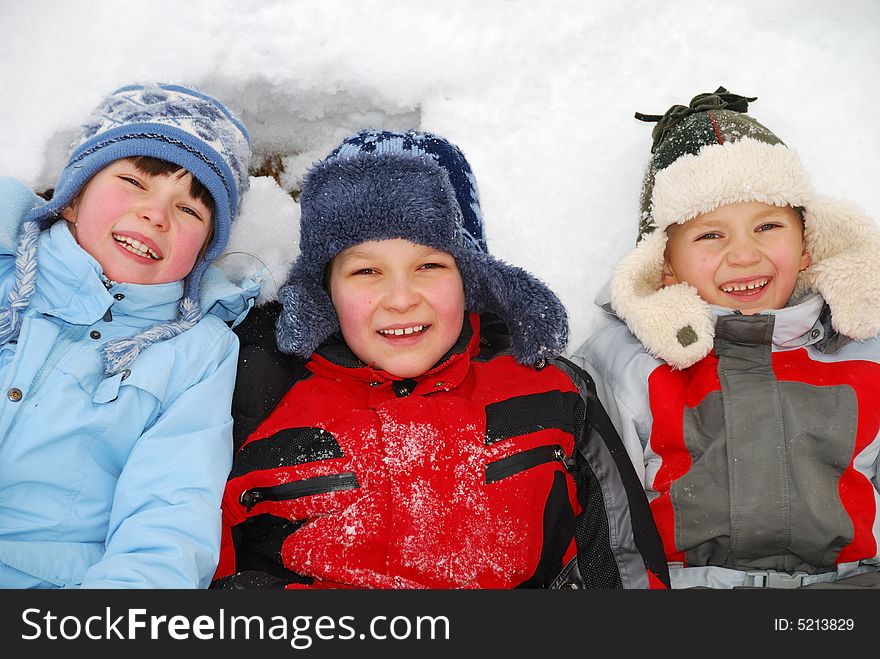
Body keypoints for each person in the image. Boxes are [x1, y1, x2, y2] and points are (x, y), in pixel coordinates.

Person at [213, 130, 669, 589]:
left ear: (470, 279)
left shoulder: (548, 390)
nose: (400, 298)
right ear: (325, 291)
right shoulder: (260, 394)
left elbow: (621, 557)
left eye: (429, 265)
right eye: (366, 270)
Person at [571, 86, 880, 588]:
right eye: (711, 235)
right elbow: (605, 511)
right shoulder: (624, 364)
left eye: (768, 226)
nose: (744, 255)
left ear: (807, 245)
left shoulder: (865, 350)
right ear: (665, 264)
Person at [0, 83, 256, 588]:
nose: (156, 214)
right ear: (71, 200)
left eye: (189, 211)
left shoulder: (197, 352)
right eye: (135, 182)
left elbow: (170, 510)